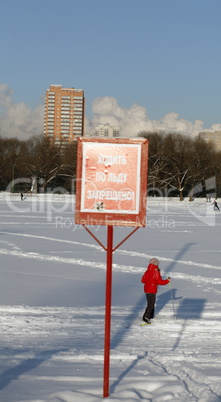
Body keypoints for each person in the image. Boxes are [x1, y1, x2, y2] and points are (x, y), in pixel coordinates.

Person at [141, 258, 170, 324]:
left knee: (151, 303)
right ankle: (146, 317)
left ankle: (151, 315)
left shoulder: (147, 271)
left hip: (146, 289)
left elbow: (143, 280)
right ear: (156, 264)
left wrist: (150, 282)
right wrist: (167, 281)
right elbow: (160, 281)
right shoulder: (156, 271)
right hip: (152, 289)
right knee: (151, 304)